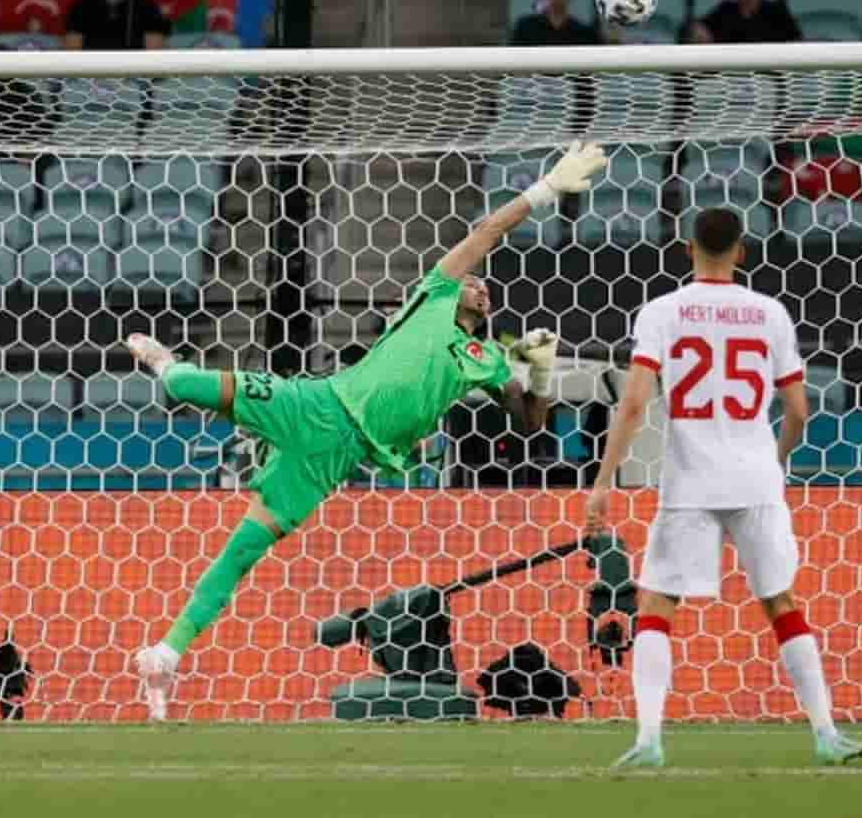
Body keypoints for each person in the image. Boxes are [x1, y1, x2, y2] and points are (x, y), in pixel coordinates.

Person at [126, 142, 610, 721]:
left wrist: (537, 373)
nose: (481, 283)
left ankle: (164, 654)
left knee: (243, 550)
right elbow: (487, 230)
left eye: (486, 286)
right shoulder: (430, 297)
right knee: (186, 387)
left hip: (335, 458)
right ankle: (165, 361)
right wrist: (546, 190)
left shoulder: (486, 358)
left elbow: (530, 425)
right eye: (474, 279)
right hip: (319, 405)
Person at [584, 207, 862, 769]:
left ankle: (648, 738)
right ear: (742, 250)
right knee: (780, 602)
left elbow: (636, 402)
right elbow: (799, 410)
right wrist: (775, 458)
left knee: (659, 603)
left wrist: (602, 483)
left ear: (688, 248)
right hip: (755, 477)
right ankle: (826, 734)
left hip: (690, 481)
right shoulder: (770, 313)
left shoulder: (662, 311)